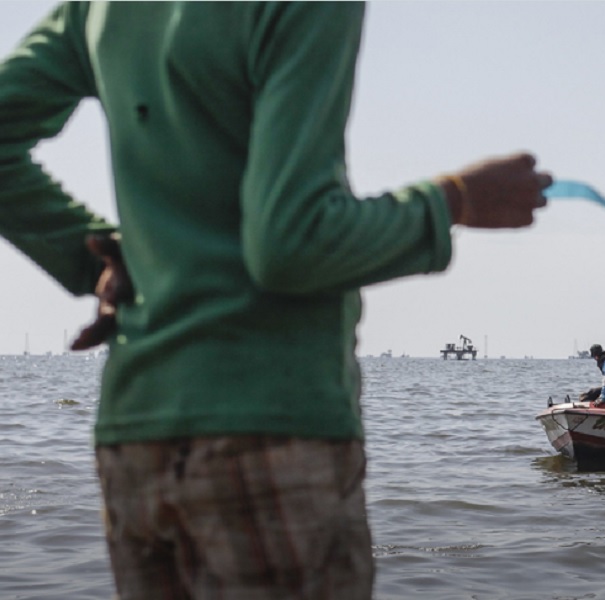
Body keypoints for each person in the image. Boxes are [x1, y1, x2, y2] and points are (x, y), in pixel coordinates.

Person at [0, 3, 550, 598]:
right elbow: (291, 243)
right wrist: (453, 203)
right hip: (269, 427)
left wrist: (99, 259)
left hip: (135, 436)